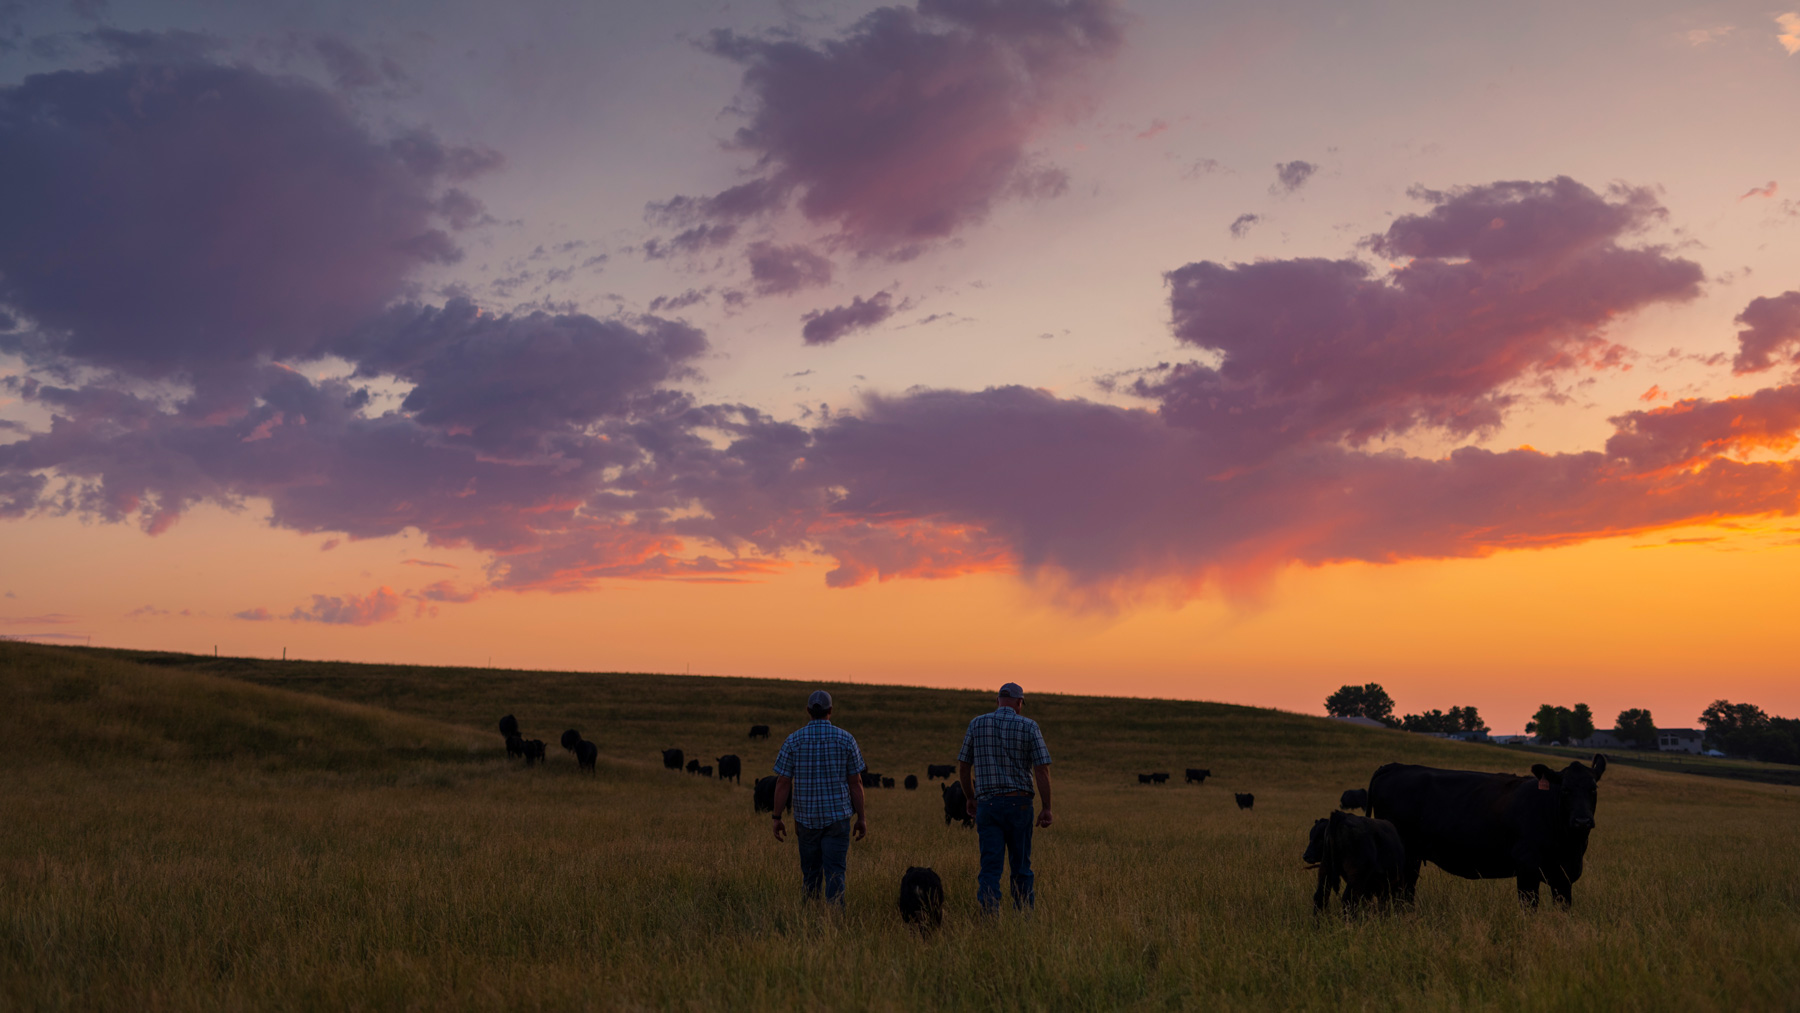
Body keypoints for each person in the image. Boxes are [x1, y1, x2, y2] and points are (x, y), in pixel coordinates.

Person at [958, 681, 1053, 913]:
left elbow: (963, 765)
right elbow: (1042, 769)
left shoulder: (977, 723)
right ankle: (1023, 918)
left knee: (990, 867)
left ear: (997, 701)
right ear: (1019, 703)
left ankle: (989, 917)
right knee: (1021, 866)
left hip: (987, 804)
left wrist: (970, 797)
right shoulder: (1030, 726)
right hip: (1019, 804)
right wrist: (1046, 807)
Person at [770, 689, 867, 905]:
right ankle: (835, 923)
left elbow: (783, 782)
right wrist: (861, 817)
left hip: (806, 821)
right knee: (835, 875)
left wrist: (776, 817)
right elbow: (856, 783)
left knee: (810, 875)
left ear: (808, 711)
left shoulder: (793, 741)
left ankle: (810, 922)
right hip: (838, 819)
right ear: (830, 711)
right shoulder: (846, 739)